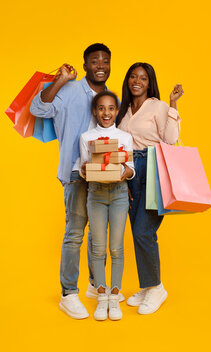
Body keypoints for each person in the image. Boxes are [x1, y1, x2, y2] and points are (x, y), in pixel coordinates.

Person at [30, 43, 122, 319]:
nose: (101, 66)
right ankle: (68, 293)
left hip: (102, 172)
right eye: (95, 61)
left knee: (98, 233)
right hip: (74, 171)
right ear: (85, 66)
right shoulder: (69, 91)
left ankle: (95, 285)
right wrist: (59, 80)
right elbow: (38, 108)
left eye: (106, 61)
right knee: (75, 233)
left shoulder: (108, 97)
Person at [116, 62, 184, 314]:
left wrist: (173, 104)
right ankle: (147, 285)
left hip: (153, 167)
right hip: (129, 170)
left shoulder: (158, 105)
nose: (137, 81)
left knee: (145, 230)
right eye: (133, 77)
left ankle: (156, 287)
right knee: (136, 230)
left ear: (149, 81)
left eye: (143, 78)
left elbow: (171, 138)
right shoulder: (123, 109)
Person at [79, 91, 135, 321]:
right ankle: (101, 296)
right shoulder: (86, 137)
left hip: (120, 194)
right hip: (96, 194)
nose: (106, 113)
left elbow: (130, 168)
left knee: (116, 248)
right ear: (95, 111)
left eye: (111, 108)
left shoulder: (124, 136)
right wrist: (86, 170)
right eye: (101, 108)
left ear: (116, 111)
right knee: (98, 247)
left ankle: (115, 294)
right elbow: (83, 167)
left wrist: (123, 173)